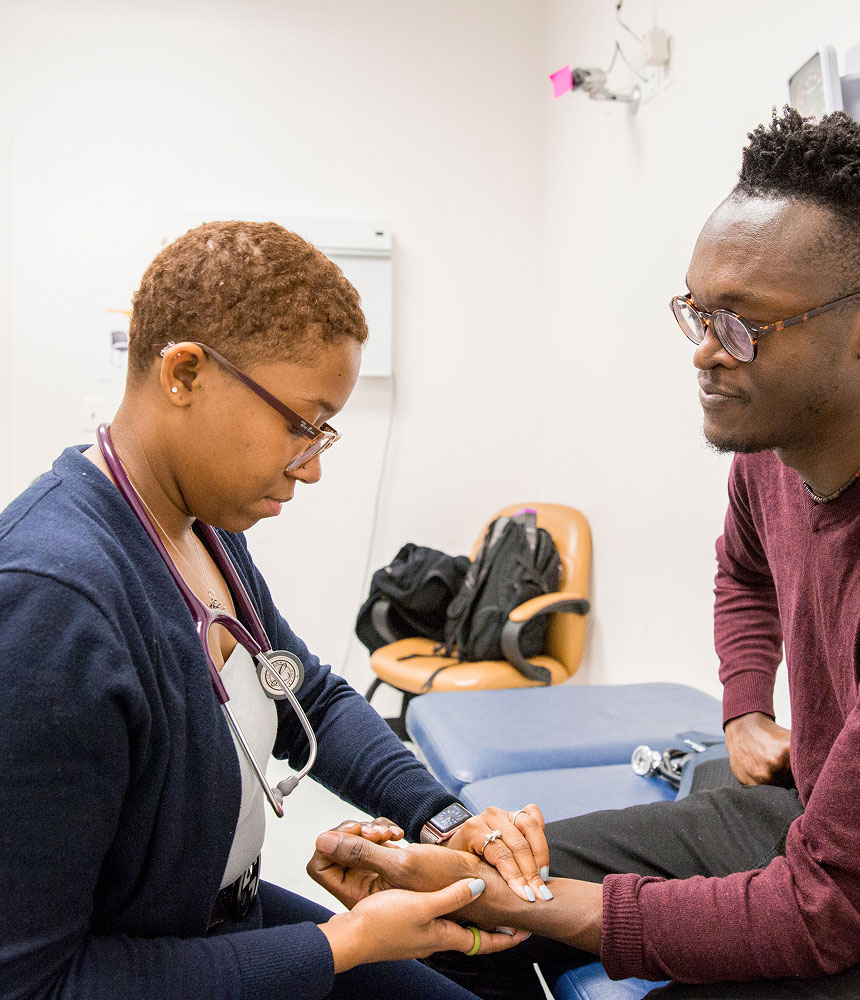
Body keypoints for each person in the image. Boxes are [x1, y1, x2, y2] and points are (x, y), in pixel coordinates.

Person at [307, 109, 860, 1000]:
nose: (702, 353)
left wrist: (537, 904)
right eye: (697, 311)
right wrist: (743, 709)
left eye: (743, 324)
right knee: (446, 907)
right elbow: (745, 572)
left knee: (518, 909)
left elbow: (827, 911)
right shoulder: (774, 448)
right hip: (820, 827)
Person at [0, 221, 556, 1000]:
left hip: (226, 920)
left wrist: (440, 818)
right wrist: (340, 947)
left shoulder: (200, 529)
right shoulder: (52, 603)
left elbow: (309, 697)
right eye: (301, 425)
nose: (315, 465)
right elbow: (36, 985)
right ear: (185, 373)